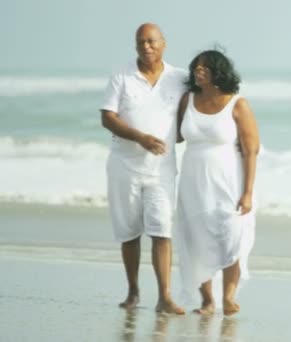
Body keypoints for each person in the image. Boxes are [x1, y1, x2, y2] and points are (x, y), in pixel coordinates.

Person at [100, 23, 187, 314]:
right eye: (140, 42)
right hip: (124, 166)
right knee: (129, 232)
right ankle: (134, 291)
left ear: (163, 43)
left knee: (162, 229)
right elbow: (108, 118)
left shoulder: (179, 78)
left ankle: (164, 296)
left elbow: (198, 108)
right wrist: (140, 137)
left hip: (162, 168)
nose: (146, 47)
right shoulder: (122, 75)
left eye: (151, 41)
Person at [175, 49, 259, 316]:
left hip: (229, 181)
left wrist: (248, 193)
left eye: (205, 68)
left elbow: (251, 150)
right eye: (196, 68)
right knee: (197, 240)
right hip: (192, 181)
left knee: (232, 235)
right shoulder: (187, 100)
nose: (198, 71)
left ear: (218, 71)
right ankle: (208, 302)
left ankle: (230, 297)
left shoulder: (238, 104)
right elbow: (176, 137)